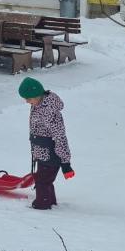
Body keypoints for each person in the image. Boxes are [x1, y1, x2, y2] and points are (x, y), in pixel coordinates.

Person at [19, 77, 74, 210]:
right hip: (43, 153)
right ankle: (50, 202)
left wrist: (66, 163)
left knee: (43, 181)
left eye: (29, 98)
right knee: (45, 180)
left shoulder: (49, 111)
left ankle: (42, 205)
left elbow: (60, 137)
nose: (26, 102)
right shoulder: (38, 104)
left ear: (38, 95)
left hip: (51, 154)